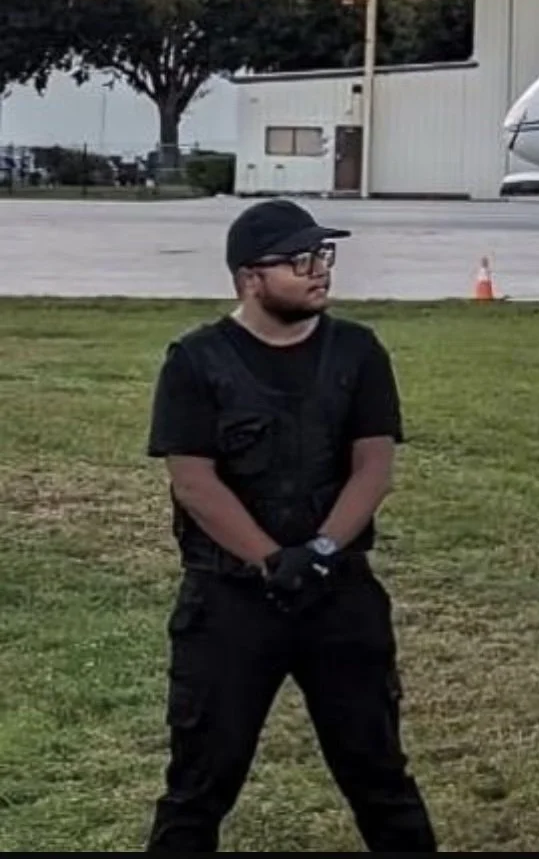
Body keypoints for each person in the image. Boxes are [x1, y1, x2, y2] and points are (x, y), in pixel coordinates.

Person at [143, 199, 437, 852]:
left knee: (380, 776)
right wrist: (272, 559)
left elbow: (373, 467)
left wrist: (324, 550)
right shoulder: (195, 361)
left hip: (340, 597)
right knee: (197, 786)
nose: (319, 271)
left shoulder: (358, 352)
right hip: (228, 603)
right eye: (301, 259)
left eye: (324, 255)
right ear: (251, 276)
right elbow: (193, 481)